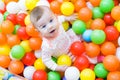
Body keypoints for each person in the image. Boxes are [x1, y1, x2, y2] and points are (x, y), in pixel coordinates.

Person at [30, 5, 81, 72]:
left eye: (51, 20)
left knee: (78, 38)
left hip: (70, 40)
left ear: (55, 16)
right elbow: (46, 60)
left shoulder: (57, 22)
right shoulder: (47, 45)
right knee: (76, 62)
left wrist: (67, 18)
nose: (50, 26)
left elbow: (60, 18)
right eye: (44, 26)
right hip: (65, 55)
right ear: (38, 31)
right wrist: (57, 67)